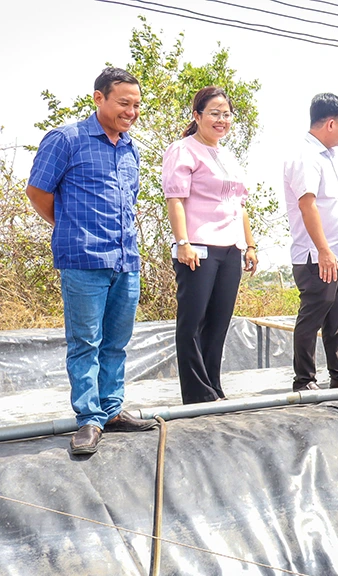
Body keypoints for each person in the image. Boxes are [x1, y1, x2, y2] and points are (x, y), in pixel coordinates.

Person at [25, 67, 156, 455]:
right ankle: (88, 419)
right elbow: (37, 192)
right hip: (83, 259)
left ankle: (112, 411)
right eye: (123, 103)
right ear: (99, 98)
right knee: (85, 342)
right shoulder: (67, 139)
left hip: (125, 260)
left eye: (135, 104)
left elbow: (126, 204)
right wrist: (70, 226)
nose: (131, 111)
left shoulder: (131, 147)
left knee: (116, 343)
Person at [162, 86, 257, 404]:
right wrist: (182, 242)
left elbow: (240, 205)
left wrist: (250, 245)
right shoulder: (183, 149)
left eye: (226, 114)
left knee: (218, 322)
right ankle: (196, 393)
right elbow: (175, 199)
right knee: (192, 321)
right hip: (197, 246)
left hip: (230, 248)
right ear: (197, 116)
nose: (221, 120)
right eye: (214, 113)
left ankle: (213, 387)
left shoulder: (227, 155)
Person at [283, 93, 338, 391]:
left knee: (335, 316)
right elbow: (307, 205)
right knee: (314, 313)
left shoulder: (329, 159)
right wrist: (324, 250)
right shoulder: (306, 157)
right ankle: (304, 379)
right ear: (330, 123)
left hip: (337, 254)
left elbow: (337, 210)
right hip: (316, 256)